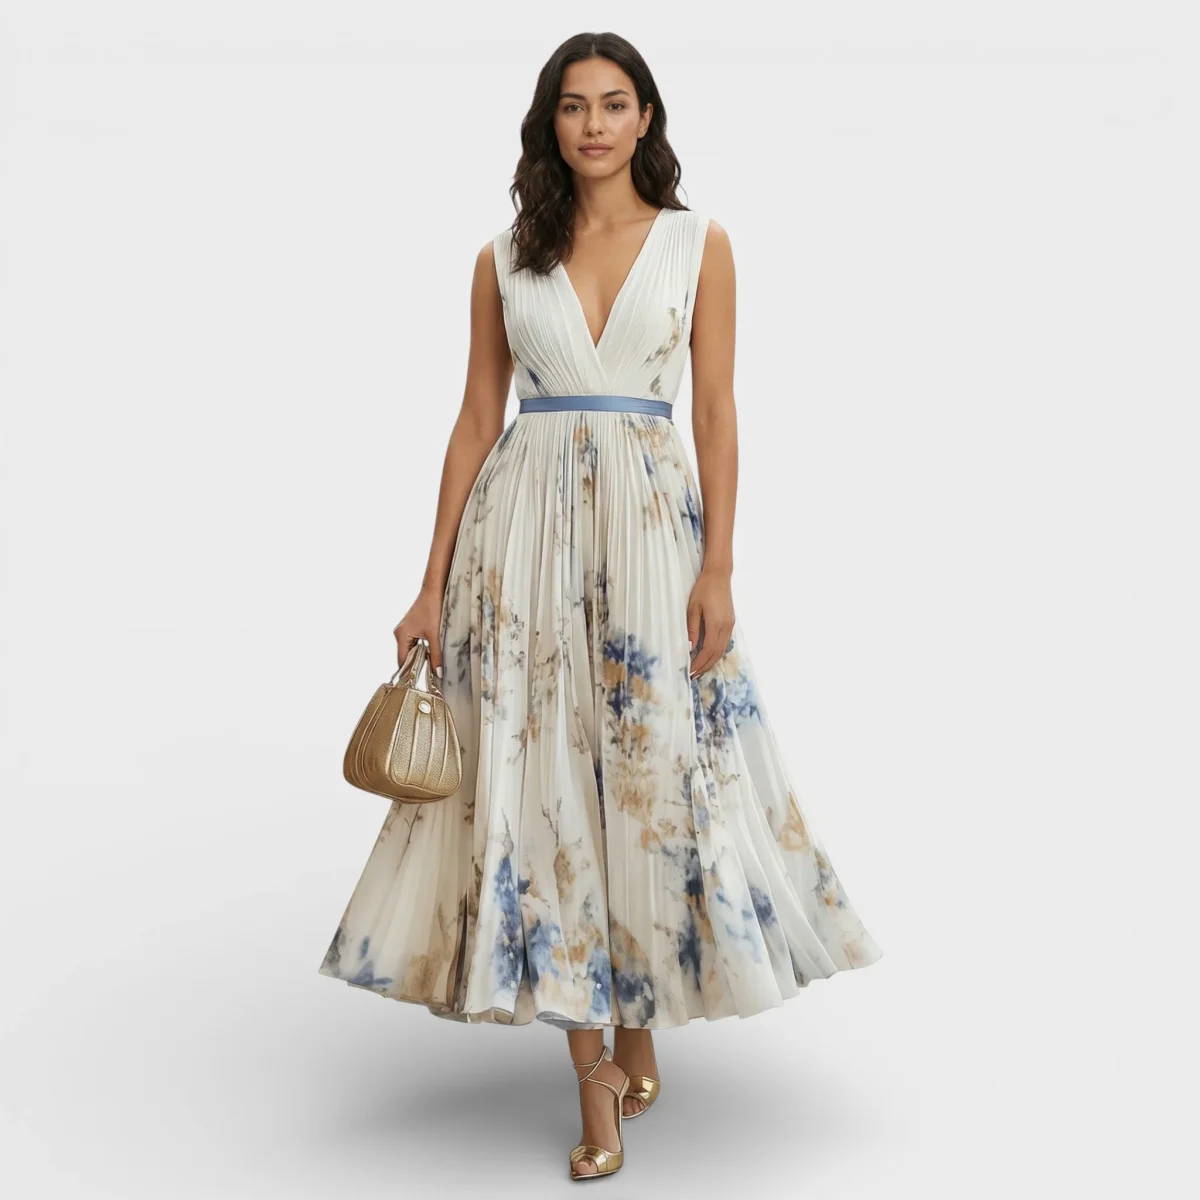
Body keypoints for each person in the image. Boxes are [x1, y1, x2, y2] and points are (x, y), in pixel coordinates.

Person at [319, 30, 883, 1182]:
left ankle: (639, 1026)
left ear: (645, 118)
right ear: (550, 122)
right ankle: (597, 1085)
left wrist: (719, 568)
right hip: (520, 543)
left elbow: (716, 411)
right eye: (573, 106)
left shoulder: (698, 243)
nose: (593, 124)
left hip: (650, 537)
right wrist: (428, 581)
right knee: (545, 793)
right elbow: (476, 418)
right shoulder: (503, 258)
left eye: (614, 104)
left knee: (651, 779)